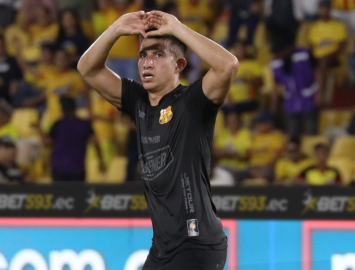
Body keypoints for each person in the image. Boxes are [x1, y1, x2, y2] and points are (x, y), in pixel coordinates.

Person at [77, 10, 239, 269]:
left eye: (158, 54)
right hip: (162, 248)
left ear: (179, 65)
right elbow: (87, 68)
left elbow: (228, 65)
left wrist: (178, 28)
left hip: (197, 244)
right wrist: (117, 28)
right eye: (143, 54)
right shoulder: (138, 101)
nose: (147, 62)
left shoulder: (192, 102)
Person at [35, 98, 105, 181]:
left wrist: (38, 129)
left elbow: (46, 142)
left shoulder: (59, 124)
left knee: (60, 193)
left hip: (59, 169)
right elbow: (95, 142)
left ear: (62, 110)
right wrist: (101, 161)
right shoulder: (84, 124)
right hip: (78, 169)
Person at [270, 42, 319, 138]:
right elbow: (277, 84)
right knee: (292, 135)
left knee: (311, 134)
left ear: (287, 48)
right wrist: (274, 107)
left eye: (279, 51)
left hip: (308, 100)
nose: (278, 55)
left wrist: (319, 93)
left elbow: (318, 71)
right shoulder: (276, 61)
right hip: (290, 103)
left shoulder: (303, 54)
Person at [95, 0, 144, 80]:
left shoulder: (133, 12)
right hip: (112, 59)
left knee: (131, 90)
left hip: (130, 59)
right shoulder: (108, 12)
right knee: (114, 90)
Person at [308, 0, 347, 94]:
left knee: (323, 61)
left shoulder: (338, 25)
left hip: (333, 57)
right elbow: (312, 46)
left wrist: (329, 55)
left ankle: (320, 95)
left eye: (324, 8)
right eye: (320, 8)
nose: (322, 11)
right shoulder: (314, 27)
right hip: (317, 57)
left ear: (329, 9)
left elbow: (341, 45)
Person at [222, 40, 262, 113]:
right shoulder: (230, 66)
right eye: (237, 48)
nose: (240, 51)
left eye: (241, 48)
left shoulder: (253, 64)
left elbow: (260, 82)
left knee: (234, 110)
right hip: (231, 102)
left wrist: (246, 80)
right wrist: (228, 98)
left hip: (248, 100)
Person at [246, 110, 286, 181]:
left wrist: (264, 167)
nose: (257, 125)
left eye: (261, 123)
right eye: (257, 123)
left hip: (270, 168)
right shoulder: (254, 136)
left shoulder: (277, 136)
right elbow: (247, 153)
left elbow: (277, 155)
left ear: (270, 124)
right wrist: (258, 150)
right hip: (253, 167)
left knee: (263, 174)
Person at [213, 111, 252, 183]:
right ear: (226, 122)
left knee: (227, 176)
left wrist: (235, 154)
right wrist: (224, 152)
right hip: (222, 167)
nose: (232, 122)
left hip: (239, 168)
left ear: (239, 121)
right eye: (230, 120)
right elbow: (215, 152)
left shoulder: (245, 133)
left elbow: (247, 155)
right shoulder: (222, 134)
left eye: (235, 120)